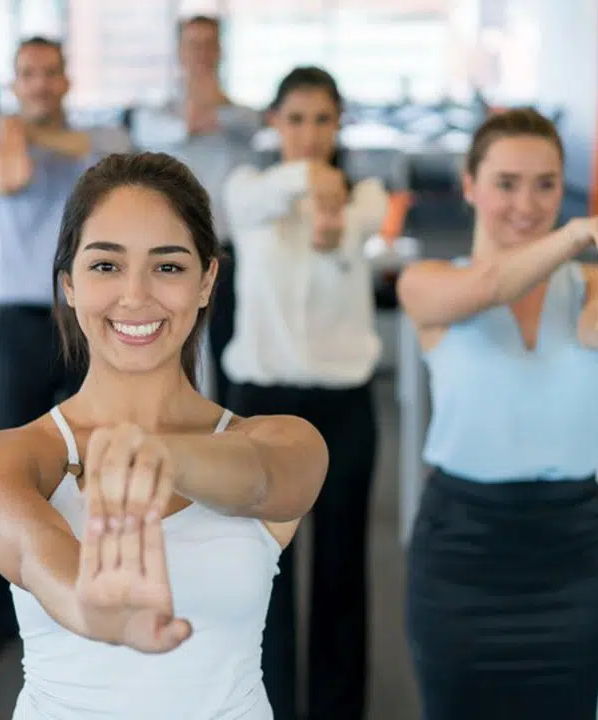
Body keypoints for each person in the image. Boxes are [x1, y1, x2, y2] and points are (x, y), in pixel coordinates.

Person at [0, 151, 328, 719]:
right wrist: (96, 611)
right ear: (69, 284)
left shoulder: (283, 441)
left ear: (207, 281)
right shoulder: (4, 460)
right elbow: (38, 556)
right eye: (106, 266)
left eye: (168, 267)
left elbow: (263, 483)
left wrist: (159, 455)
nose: (135, 296)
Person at [396, 107, 598, 719]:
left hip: (572, 552)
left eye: (546, 185)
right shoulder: (426, 281)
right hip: (462, 550)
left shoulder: (587, 286)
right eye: (507, 183)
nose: (527, 205)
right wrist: (572, 235)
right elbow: (488, 289)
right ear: (469, 185)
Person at [221, 66, 389, 720]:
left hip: (343, 404)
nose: (310, 133)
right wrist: (308, 179)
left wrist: (329, 209)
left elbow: (344, 233)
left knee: (342, 568)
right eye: (296, 119)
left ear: (340, 122)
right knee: (264, 573)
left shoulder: (366, 195)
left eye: (323, 120)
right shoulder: (248, 187)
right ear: (274, 122)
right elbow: (251, 206)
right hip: (261, 403)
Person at [0, 35, 132, 661]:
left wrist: (39, 134)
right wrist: (21, 136)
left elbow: (117, 161)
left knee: (103, 464)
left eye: (49, 73)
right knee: (8, 473)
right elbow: (13, 176)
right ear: (15, 83)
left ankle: (102, 599)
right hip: (24, 324)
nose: (38, 83)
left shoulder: (99, 145)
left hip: (93, 323)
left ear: (65, 82)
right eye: (27, 74)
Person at [129, 14, 262, 403]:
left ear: (221, 51)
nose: (201, 54)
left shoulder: (243, 118)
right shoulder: (154, 118)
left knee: (231, 350)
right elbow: (172, 125)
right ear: (179, 53)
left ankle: (230, 444)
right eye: (193, 45)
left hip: (229, 251)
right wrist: (198, 117)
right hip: (169, 254)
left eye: (209, 44)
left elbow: (246, 123)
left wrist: (212, 111)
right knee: (170, 348)